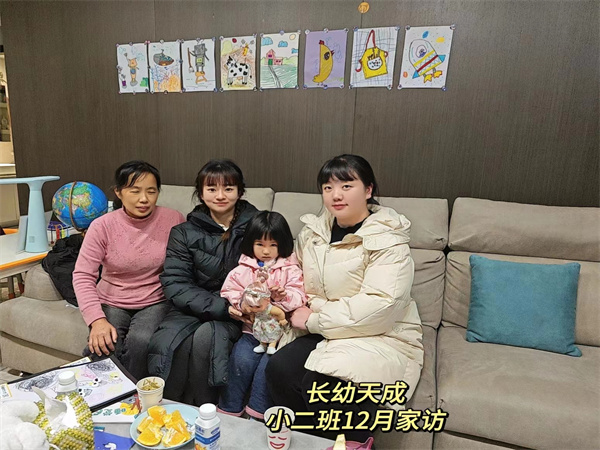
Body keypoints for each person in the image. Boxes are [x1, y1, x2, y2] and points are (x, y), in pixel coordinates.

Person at [266, 154, 424, 443]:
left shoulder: (388, 239)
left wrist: (313, 320)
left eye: (346, 186)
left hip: (379, 333)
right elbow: (293, 272)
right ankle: (310, 443)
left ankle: (352, 444)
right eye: (328, 188)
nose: (336, 195)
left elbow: (381, 305)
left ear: (368, 190)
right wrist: (281, 295)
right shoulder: (314, 232)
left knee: (324, 382)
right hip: (326, 329)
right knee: (280, 369)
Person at [147, 159, 258, 406]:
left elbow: (269, 270)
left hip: (240, 309)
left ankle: (205, 409)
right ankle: (169, 408)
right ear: (200, 192)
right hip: (194, 307)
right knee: (166, 343)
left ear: (240, 191)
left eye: (228, 188)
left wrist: (239, 305)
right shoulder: (183, 232)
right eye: (211, 188)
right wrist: (221, 306)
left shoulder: (257, 227)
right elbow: (176, 282)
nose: (220, 196)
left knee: (208, 337)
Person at [73, 160, 185, 380]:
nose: (144, 199)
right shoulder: (102, 226)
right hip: (112, 300)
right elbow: (83, 275)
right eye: (135, 191)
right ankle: (104, 392)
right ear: (119, 192)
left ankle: (131, 394)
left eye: (151, 191)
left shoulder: (174, 219)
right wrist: (97, 320)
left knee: (141, 342)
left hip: (155, 300)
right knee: (106, 343)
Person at [218, 211, 307, 419]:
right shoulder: (243, 268)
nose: (266, 251)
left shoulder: (290, 268)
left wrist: (282, 297)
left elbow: (300, 295)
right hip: (252, 331)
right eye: (260, 244)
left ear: (283, 244)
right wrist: (243, 304)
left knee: (266, 370)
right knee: (240, 362)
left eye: (273, 245)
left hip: (280, 335)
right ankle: (228, 411)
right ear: (251, 243)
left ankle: (257, 415)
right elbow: (229, 290)